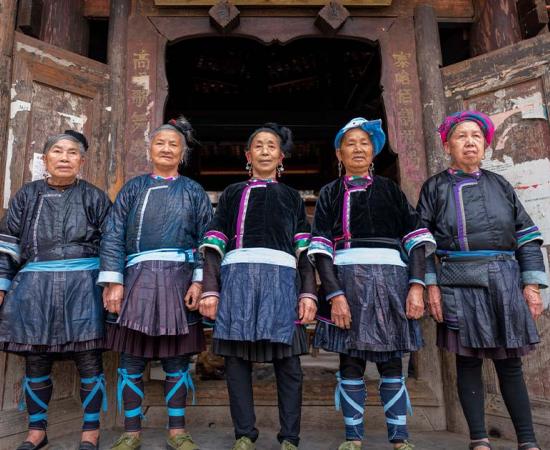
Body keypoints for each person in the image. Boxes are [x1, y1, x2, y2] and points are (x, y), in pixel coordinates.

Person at [417, 111, 546, 450]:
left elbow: (527, 236)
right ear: (448, 145)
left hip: (503, 278)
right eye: (462, 136)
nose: (470, 141)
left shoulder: (500, 185)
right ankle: (479, 440)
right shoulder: (434, 187)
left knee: (510, 363)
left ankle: (528, 441)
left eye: (476, 136)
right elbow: (422, 242)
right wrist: (430, 284)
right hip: (456, 281)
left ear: (485, 145)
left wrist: (531, 285)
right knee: (468, 361)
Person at [309, 118, 436, 450]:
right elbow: (321, 247)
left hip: (391, 284)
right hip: (347, 284)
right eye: (350, 142)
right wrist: (334, 294)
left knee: (391, 359)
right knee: (351, 359)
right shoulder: (330, 193)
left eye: (364, 142)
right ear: (340, 153)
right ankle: (353, 436)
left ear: (373, 150)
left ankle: (400, 436)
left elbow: (416, 241)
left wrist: (416, 285)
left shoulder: (391, 190)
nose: (358, 148)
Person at [199, 123, 317, 450]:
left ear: (281, 157)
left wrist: (307, 293)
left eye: (272, 146)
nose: (265, 151)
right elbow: (213, 244)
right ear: (248, 156)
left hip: (282, 285)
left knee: (289, 364)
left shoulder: (292, 198)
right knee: (236, 364)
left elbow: (304, 252)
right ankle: (244, 435)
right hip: (237, 283)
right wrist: (211, 288)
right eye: (259, 146)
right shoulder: (232, 194)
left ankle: (290, 437)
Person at [99, 117, 212, 450]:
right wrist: (114, 281)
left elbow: (208, 239)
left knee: (177, 361)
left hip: (180, 281)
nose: (166, 148)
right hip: (137, 280)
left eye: (173, 144)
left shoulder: (193, 191)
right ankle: (131, 431)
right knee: (131, 359)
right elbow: (114, 234)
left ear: (183, 152)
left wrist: (200, 280)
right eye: (160, 142)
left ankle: (178, 431)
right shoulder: (133, 188)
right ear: (150, 149)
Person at [0, 130, 111, 450]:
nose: (64, 158)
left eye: (72, 152)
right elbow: (7, 244)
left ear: (82, 160)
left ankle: (91, 430)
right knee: (36, 360)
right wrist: (2, 285)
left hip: (83, 288)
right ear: (46, 159)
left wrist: (111, 284)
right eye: (58, 152)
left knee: (88, 359)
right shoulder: (27, 195)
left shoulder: (94, 197)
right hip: (35, 288)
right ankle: (37, 430)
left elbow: (112, 244)